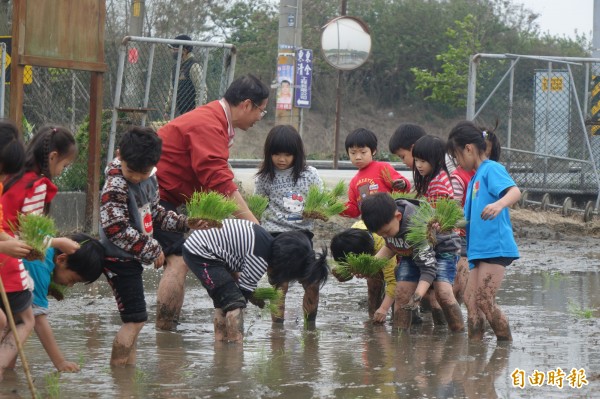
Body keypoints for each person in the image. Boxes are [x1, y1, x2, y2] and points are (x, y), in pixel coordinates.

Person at [154, 73, 269, 330]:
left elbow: (215, 181)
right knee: (178, 260)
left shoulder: (216, 119)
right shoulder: (208, 123)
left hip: (175, 195)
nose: (259, 118)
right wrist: (252, 224)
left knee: (217, 248)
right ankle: (165, 332)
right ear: (247, 104)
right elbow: (217, 179)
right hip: (158, 196)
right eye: (261, 111)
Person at [99, 127, 203, 366]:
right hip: (118, 259)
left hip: (131, 258)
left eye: (143, 172)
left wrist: (186, 223)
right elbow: (116, 228)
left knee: (135, 319)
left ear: (154, 165)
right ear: (119, 155)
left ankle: (128, 376)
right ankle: (120, 378)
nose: (136, 177)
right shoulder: (115, 185)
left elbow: (155, 215)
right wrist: (152, 249)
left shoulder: (150, 179)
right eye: (131, 171)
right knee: (135, 319)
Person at [0, 125, 81, 378]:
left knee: (6, 323)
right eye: (64, 166)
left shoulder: (14, 177)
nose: (61, 171)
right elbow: (29, 236)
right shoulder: (36, 185)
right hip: (8, 261)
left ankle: (8, 377)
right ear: (53, 157)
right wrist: (58, 241)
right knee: (24, 319)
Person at [182, 218, 329, 342]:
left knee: (224, 302)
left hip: (203, 247)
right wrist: (255, 297)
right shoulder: (259, 259)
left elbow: (237, 273)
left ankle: (221, 347)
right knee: (234, 304)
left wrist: (251, 293)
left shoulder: (264, 240)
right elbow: (243, 293)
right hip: (201, 252)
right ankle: (235, 350)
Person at [446, 121, 520, 341]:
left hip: (494, 247)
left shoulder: (492, 169)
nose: (457, 163)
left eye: (457, 156)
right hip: (478, 250)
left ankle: (505, 346)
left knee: (484, 301)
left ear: (469, 148)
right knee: (471, 301)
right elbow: (468, 220)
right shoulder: (474, 179)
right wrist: (446, 225)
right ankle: (475, 351)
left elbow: (515, 191)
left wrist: (499, 205)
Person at [360, 193, 464, 332]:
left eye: (386, 232)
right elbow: (391, 247)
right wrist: (367, 267)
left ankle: (457, 335)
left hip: (443, 250)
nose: (385, 236)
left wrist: (418, 296)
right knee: (402, 293)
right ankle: (400, 337)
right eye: (381, 234)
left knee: (443, 292)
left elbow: (428, 269)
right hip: (411, 252)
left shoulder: (416, 226)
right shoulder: (387, 223)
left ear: (398, 217)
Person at [254, 125, 323, 323]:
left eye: (287, 155)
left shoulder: (309, 174)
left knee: (312, 282)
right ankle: (277, 329)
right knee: (279, 285)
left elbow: (322, 202)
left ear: (297, 154)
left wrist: (317, 211)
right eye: (276, 154)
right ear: (269, 154)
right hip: (273, 237)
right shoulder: (264, 177)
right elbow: (257, 208)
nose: (282, 160)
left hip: (301, 237)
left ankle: (310, 328)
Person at [14, 234, 104, 372]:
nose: (70, 286)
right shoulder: (39, 265)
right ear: (61, 259)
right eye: (73, 280)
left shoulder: (47, 249)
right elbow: (38, 319)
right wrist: (60, 362)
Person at [330, 222, 397, 319]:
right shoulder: (349, 239)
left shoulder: (384, 244)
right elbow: (347, 263)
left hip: (400, 252)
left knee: (400, 291)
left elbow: (393, 282)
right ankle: (374, 319)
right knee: (374, 285)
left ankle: (396, 318)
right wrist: (343, 272)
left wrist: (384, 308)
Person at [341, 128, 411, 218]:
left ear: (373, 151)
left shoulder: (382, 168)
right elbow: (354, 210)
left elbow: (401, 187)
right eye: (353, 153)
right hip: (370, 224)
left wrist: (403, 184)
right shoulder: (354, 182)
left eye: (363, 152)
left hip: (390, 218)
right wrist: (337, 207)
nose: (358, 157)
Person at [389, 123, 456, 174]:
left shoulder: (445, 170)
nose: (403, 162)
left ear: (414, 149)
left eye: (402, 157)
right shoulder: (429, 170)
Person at [164, 34, 205, 117]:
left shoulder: (194, 66)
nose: (173, 51)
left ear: (184, 50)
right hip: (181, 112)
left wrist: (198, 112)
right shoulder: (175, 68)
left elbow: (201, 89)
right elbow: (172, 91)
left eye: (175, 49)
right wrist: (167, 110)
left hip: (193, 112)